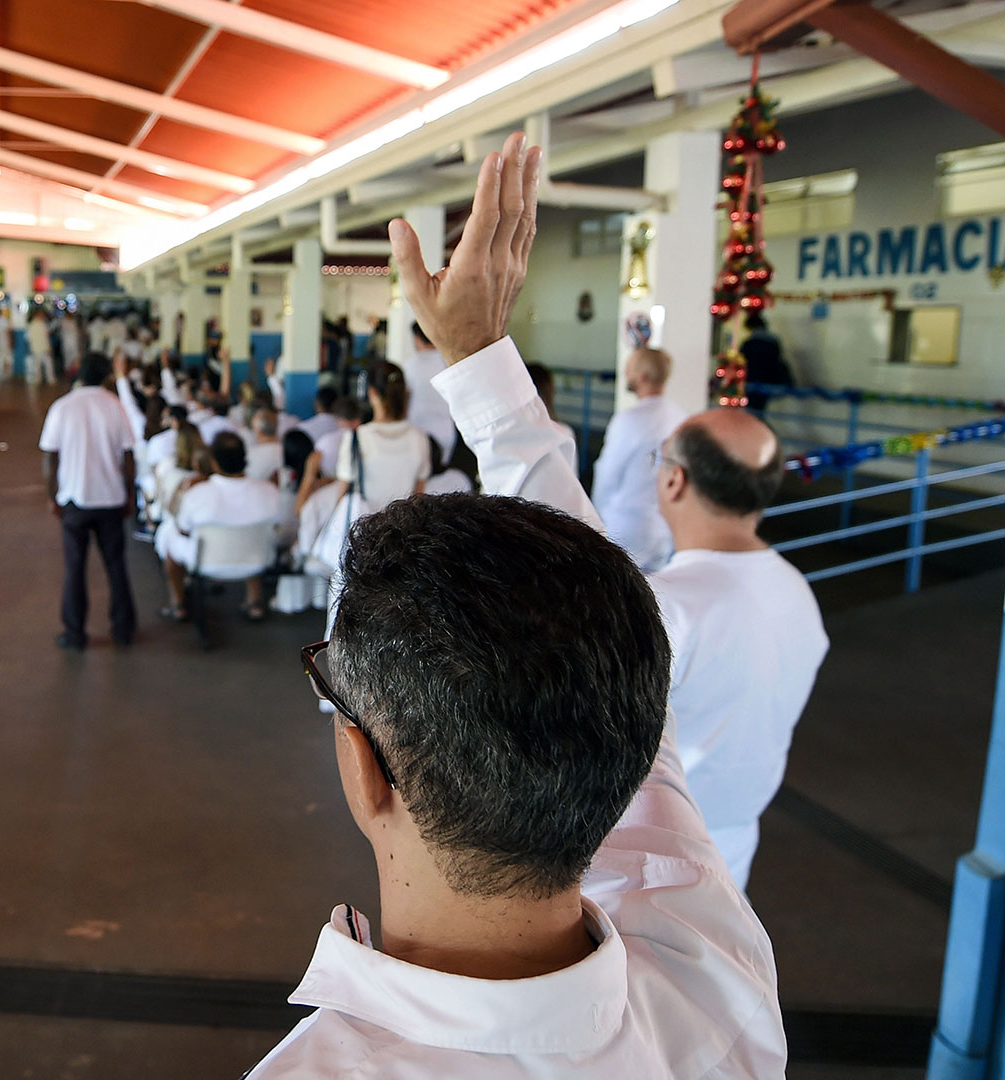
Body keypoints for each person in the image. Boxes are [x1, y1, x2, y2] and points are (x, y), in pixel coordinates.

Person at [247, 132, 784, 1077]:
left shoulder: (714, 952)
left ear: (366, 767)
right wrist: (482, 361)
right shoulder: (709, 974)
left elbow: (631, 698)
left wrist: (482, 357)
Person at [651, 410, 826, 888]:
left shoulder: (665, 605)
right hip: (734, 840)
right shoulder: (796, 591)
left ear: (675, 480)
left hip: (651, 852)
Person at [39, 353, 137, 651]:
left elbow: (49, 457)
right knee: (116, 565)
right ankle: (123, 630)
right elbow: (129, 456)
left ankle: (75, 633)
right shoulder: (115, 405)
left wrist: (52, 496)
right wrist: (129, 494)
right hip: (110, 499)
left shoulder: (62, 407)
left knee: (75, 568)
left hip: (74, 500)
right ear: (107, 376)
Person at [158, 432, 279, 622]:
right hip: (258, 560)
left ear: (214, 462)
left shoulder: (198, 494)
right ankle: (254, 600)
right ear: (245, 459)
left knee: (168, 537)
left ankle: (177, 603)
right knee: (254, 533)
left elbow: (184, 530)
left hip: (207, 562)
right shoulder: (268, 492)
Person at [593, 346, 689, 571]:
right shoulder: (681, 418)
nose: (625, 374)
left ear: (642, 377)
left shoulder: (629, 421)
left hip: (625, 527)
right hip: (664, 527)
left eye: (629, 369)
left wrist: (595, 520)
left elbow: (607, 475)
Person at [333, 361, 433, 510]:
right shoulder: (420, 438)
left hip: (366, 528)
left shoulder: (357, 438)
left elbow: (342, 496)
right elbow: (419, 497)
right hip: (402, 529)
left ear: (371, 392)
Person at [401, 324, 456, 470]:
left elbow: (404, 401)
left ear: (417, 339)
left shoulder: (409, 366)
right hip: (446, 431)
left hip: (417, 430)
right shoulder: (448, 362)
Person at [25, 308, 51, 386]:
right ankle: (49, 380)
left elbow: (28, 339)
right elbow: (46, 337)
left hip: (36, 348)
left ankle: (38, 380)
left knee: (37, 367)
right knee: (48, 366)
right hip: (43, 348)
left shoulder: (31, 325)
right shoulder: (43, 324)